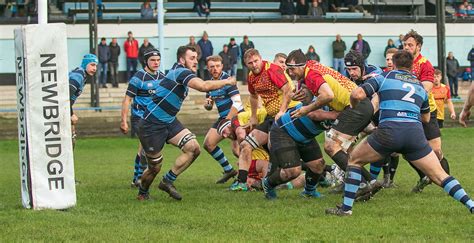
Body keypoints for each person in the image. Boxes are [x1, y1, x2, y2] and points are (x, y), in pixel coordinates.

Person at [326, 50, 474, 216]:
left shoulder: (385, 77)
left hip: (388, 132)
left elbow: (357, 93)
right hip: (414, 134)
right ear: (412, 66)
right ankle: (471, 204)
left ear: (394, 64)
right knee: (440, 175)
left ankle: (346, 209)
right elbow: (425, 118)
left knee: (354, 160)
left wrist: (353, 106)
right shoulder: (419, 86)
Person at [135, 45, 236, 201]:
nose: (196, 61)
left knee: (193, 148)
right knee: (155, 167)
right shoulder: (180, 72)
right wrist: (227, 81)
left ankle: (167, 181)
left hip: (169, 122)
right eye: (192, 58)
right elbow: (203, 86)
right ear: (182, 60)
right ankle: (142, 192)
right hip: (152, 124)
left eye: (196, 58)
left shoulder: (180, 72)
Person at [286, 49, 375, 198]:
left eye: (292, 69)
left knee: (330, 145)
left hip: (355, 106)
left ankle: (362, 183)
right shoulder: (312, 66)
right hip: (361, 105)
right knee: (344, 151)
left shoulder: (311, 73)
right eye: (288, 69)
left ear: (302, 66)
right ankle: (370, 182)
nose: (290, 73)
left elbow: (328, 95)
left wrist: (306, 109)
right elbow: (321, 86)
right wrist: (305, 92)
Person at [233, 48, 299, 189]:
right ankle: (241, 183)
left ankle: (271, 183)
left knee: (274, 146)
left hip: (288, 113)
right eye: (250, 63)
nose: (254, 65)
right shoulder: (251, 76)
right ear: (246, 64)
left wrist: (281, 112)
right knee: (246, 145)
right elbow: (253, 96)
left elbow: (288, 90)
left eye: (256, 61)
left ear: (261, 58)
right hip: (271, 117)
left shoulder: (272, 69)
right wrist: (253, 116)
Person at [403, 29, 451, 193]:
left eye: (410, 44)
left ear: (419, 47)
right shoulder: (403, 63)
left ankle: (448, 182)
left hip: (427, 112)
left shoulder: (425, 64)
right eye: (405, 44)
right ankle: (424, 176)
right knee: (407, 150)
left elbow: (427, 88)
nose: (407, 47)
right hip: (409, 112)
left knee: (436, 150)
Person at [262, 99, 339, 200]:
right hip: (284, 132)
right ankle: (268, 184)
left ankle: (309, 192)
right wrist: (336, 114)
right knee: (293, 171)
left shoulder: (348, 109)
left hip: (305, 136)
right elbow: (313, 114)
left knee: (318, 165)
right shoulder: (326, 97)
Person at [120, 49, 165, 187]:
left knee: (144, 149)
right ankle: (139, 179)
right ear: (146, 61)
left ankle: (137, 178)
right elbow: (127, 100)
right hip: (140, 117)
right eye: (153, 60)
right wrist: (123, 120)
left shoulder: (162, 77)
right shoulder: (138, 78)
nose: (156, 63)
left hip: (155, 119)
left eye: (158, 60)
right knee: (146, 149)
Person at [202, 55, 243, 184]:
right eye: (212, 67)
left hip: (236, 117)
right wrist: (208, 105)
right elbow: (210, 103)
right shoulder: (210, 84)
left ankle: (249, 178)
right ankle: (229, 170)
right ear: (207, 68)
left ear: (222, 66)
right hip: (223, 119)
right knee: (208, 144)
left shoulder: (228, 81)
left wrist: (228, 121)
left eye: (217, 66)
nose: (215, 69)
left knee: (239, 151)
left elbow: (237, 103)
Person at [69, 54, 98, 147]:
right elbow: (66, 97)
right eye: (92, 65)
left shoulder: (82, 75)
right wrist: (71, 114)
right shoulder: (78, 75)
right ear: (85, 64)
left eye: (96, 66)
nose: (95, 68)